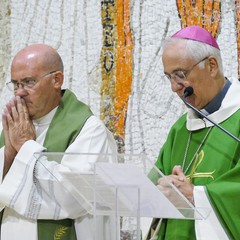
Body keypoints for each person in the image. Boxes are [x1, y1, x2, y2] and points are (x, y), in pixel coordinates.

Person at [0, 44, 117, 240]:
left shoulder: (89, 131)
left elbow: (74, 198)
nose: (19, 93)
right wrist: (10, 154)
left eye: (28, 82)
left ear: (57, 80)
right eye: (15, 84)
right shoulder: (16, 126)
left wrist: (26, 147)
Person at [146, 26, 240, 240]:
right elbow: (154, 182)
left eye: (180, 75)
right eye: (168, 77)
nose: (174, 87)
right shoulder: (181, 128)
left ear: (212, 66)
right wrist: (160, 188)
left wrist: (196, 196)